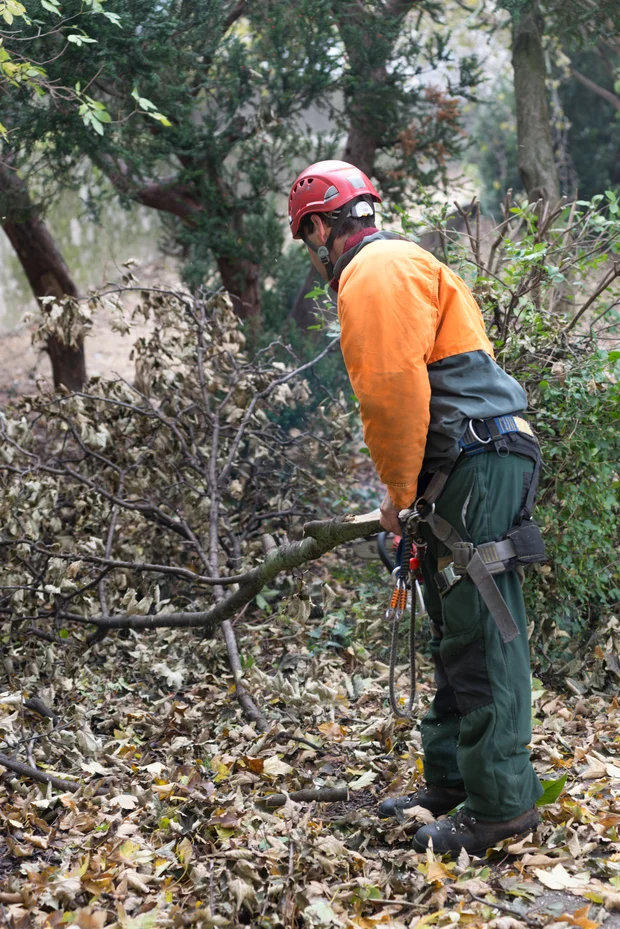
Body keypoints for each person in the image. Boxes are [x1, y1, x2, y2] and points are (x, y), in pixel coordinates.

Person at [288, 160, 545, 856]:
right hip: (465, 460)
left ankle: (500, 808)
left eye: (305, 236)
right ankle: (453, 780)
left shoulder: (370, 273)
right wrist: (417, 494)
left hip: (469, 460)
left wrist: (399, 497)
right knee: (452, 625)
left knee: (483, 628)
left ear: (317, 226)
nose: (310, 252)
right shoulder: (406, 261)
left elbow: (394, 393)